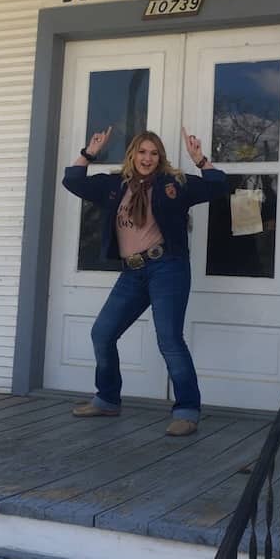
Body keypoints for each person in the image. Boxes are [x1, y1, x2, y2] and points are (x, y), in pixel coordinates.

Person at [62, 127, 228, 437]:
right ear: (132, 155)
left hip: (168, 268)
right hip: (132, 272)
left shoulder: (174, 184)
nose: (147, 158)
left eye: (153, 153)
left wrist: (200, 159)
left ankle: (187, 410)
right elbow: (73, 180)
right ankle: (107, 399)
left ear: (160, 157)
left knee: (169, 339)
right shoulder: (114, 185)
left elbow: (218, 186)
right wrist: (89, 153)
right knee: (102, 333)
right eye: (142, 152)